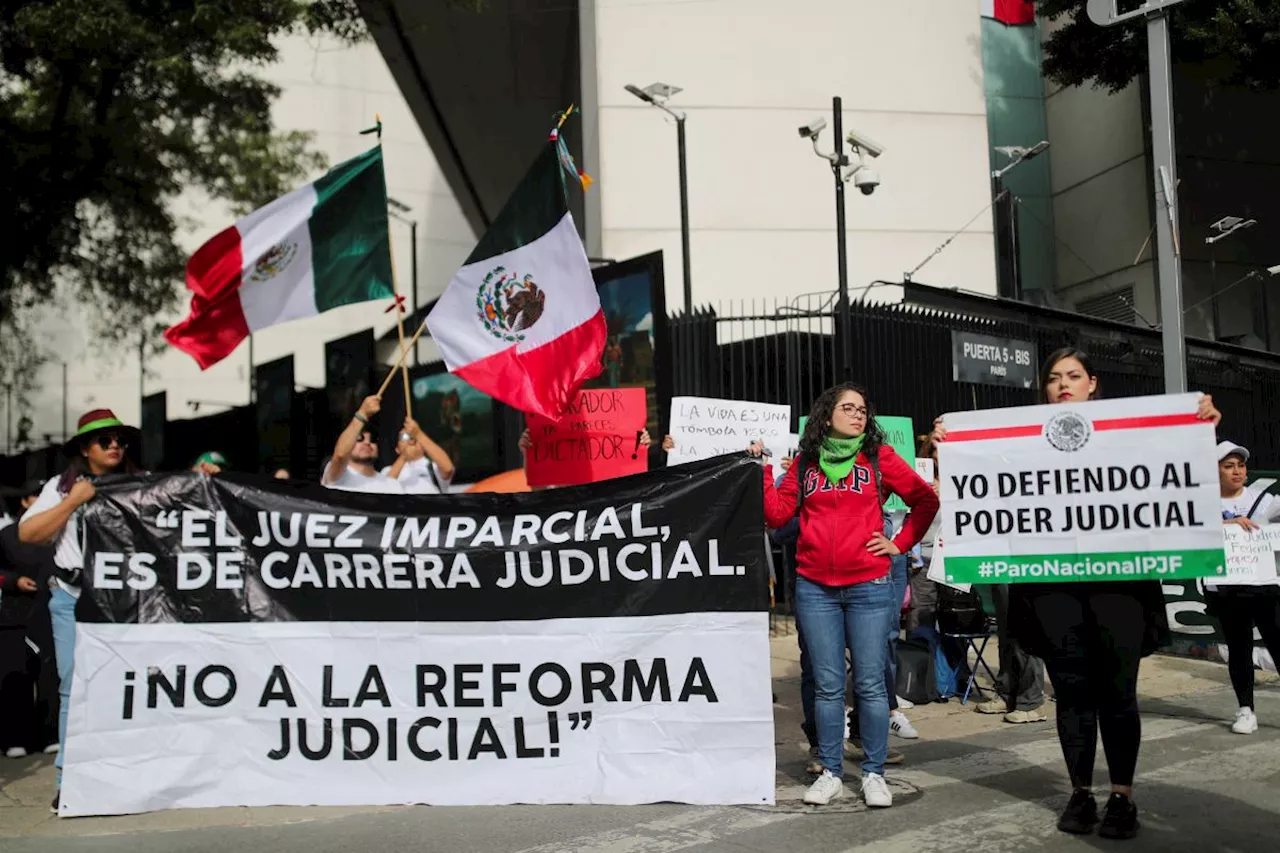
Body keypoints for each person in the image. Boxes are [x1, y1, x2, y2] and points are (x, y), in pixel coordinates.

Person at [931, 348, 1221, 840]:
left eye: (1073, 376)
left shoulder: (1129, 435)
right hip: (1052, 590)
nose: (1063, 384)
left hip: (1119, 588)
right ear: (1045, 390)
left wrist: (1198, 426)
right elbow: (984, 487)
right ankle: (1081, 792)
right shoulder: (1020, 444)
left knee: (1118, 694)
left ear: (1093, 384)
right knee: (1071, 693)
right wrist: (950, 444)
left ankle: (1122, 796)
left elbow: (1172, 468)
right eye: (1053, 378)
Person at [754, 382, 939, 809]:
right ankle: (832, 773)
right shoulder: (805, 463)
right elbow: (778, 514)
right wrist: (765, 470)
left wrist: (900, 542)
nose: (858, 414)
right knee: (827, 685)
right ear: (826, 415)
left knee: (872, 684)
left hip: (870, 586)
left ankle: (873, 773)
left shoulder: (878, 457)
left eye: (862, 409)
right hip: (815, 587)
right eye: (848, 407)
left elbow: (923, 500)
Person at [19, 409, 141, 813]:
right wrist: (73, 501)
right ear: (85, 450)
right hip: (73, 598)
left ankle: (128, 773)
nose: (114, 446)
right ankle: (68, 779)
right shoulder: (62, 486)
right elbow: (28, 534)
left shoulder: (139, 483)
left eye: (119, 439)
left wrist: (205, 480)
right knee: (75, 687)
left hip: (127, 602)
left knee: (130, 687)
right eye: (104, 440)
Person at [1204, 440, 1280, 735]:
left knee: (1277, 641)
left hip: (1263, 586)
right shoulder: (1204, 506)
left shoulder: (1265, 501)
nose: (1236, 471)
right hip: (1227, 588)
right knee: (1238, 648)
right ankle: (1246, 709)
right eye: (1228, 466)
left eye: (1241, 465)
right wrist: (1228, 525)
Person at [1, 479, 58, 759]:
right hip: (15, 614)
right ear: (25, 501)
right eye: (37, 496)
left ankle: (49, 734)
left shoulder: (58, 531)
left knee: (50, 675)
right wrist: (13, 581)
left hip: (50, 611)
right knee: (16, 676)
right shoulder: (7, 535)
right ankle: (15, 737)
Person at [321, 395, 409, 494]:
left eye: (373, 439)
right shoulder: (337, 475)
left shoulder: (393, 485)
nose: (367, 443)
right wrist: (362, 413)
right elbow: (340, 455)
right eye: (360, 438)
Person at [381, 419, 456, 494]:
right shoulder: (388, 470)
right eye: (404, 436)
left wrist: (418, 434)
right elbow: (384, 489)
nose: (411, 439)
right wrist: (404, 457)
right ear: (397, 449)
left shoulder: (432, 467)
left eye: (413, 436)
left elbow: (448, 469)